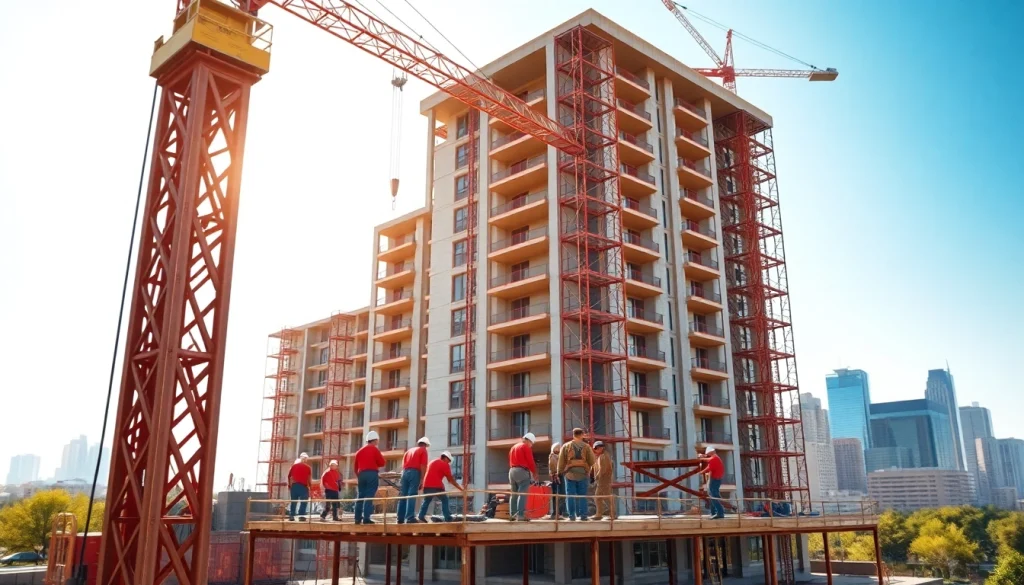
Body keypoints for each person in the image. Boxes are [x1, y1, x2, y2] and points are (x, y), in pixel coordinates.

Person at [557, 428, 595, 521]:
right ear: (582, 434)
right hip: (583, 474)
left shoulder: (566, 446)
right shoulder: (587, 447)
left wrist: (559, 472)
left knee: (570, 495)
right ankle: (583, 516)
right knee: (582, 496)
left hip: (570, 474)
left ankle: (572, 516)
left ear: (573, 435)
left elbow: (561, 461)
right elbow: (592, 461)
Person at [416, 450, 464, 522]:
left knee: (427, 500)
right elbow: (450, 480)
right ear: (446, 458)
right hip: (436, 486)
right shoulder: (444, 464)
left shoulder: (432, 462)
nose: (449, 462)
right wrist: (460, 488)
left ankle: (421, 515)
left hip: (426, 485)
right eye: (449, 461)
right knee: (444, 499)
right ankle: (447, 517)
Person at [353, 431, 386, 525]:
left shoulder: (359, 451)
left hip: (361, 474)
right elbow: (382, 463)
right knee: (369, 495)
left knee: (360, 496)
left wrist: (359, 475)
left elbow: (355, 467)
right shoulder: (374, 449)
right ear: (375, 440)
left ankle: (357, 518)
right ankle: (366, 518)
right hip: (371, 473)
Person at [398, 437, 430, 524]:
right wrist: (422, 479)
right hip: (414, 472)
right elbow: (423, 465)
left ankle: (400, 518)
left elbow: (403, 464)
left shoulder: (409, 451)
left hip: (404, 472)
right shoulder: (423, 450)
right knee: (412, 495)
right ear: (426, 445)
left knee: (403, 496)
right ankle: (410, 518)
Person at [508, 432, 538, 521]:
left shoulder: (514, 447)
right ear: (529, 441)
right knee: (522, 494)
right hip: (522, 471)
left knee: (514, 494)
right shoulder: (525, 447)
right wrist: (535, 473)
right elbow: (530, 461)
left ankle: (512, 515)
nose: (531, 445)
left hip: (512, 471)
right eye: (531, 443)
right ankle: (520, 515)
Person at [700, 446, 726, 519]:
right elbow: (709, 464)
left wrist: (701, 459)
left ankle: (720, 513)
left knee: (713, 496)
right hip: (716, 479)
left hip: (714, 479)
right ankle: (714, 512)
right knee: (714, 495)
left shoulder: (714, 459)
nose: (708, 454)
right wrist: (702, 471)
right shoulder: (716, 458)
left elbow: (709, 466)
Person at [591, 441, 614, 520]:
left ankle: (604, 514)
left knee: (599, 497)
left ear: (601, 448)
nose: (596, 450)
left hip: (603, 480)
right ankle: (602, 514)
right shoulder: (602, 456)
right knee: (601, 497)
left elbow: (602, 469)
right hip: (604, 480)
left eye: (597, 448)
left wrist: (596, 477)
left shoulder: (603, 456)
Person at [287, 453, 313, 521]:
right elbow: (309, 478)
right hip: (303, 487)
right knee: (303, 502)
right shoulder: (308, 468)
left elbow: (289, 477)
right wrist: (310, 487)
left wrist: (290, 486)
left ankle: (292, 516)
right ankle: (301, 516)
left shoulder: (294, 466)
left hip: (294, 486)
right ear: (305, 459)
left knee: (293, 502)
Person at [547, 442, 567, 520]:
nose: (559, 449)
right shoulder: (553, 457)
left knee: (559, 494)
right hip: (557, 476)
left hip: (557, 476)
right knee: (560, 494)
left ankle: (558, 512)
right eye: (557, 447)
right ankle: (558, 512)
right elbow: (555, 468)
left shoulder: (557, 457)